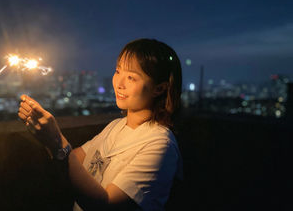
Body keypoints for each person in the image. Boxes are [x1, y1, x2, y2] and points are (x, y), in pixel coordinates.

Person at [18, 38, 183, 211]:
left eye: (131, 78)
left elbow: (106, 204)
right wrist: (50, 140)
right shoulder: (116, 126)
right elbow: (73, 160)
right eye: (118, 71)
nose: (119, 84)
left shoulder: (159, 144)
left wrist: (56, 141)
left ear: (159, 88)